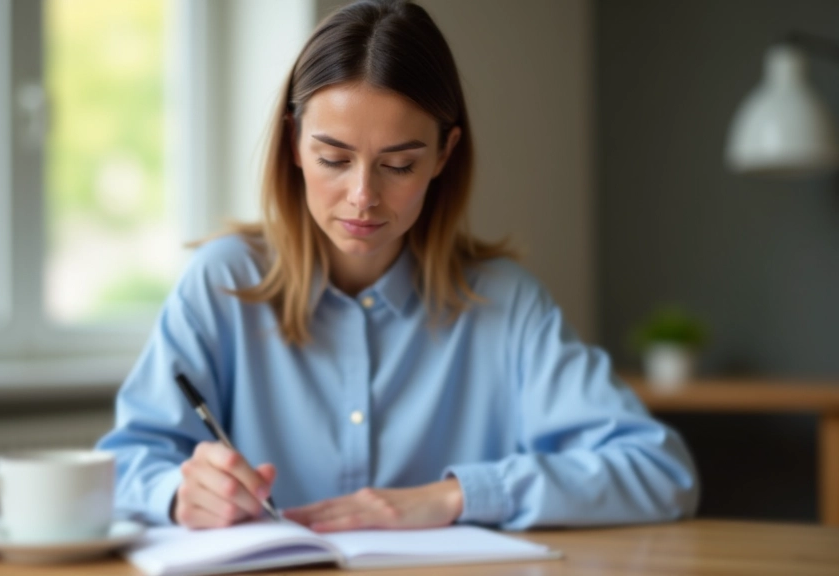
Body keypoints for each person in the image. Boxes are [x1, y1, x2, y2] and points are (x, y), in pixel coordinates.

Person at [96, 0, 699, 532]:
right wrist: (179, 493)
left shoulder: (507, 303)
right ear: (293, 145)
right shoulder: (222, 282)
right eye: (333, 157)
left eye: (399, 165)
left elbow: (660, 471)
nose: (363, 196)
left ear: (444, 155)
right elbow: (123, 466)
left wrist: (454, 496)